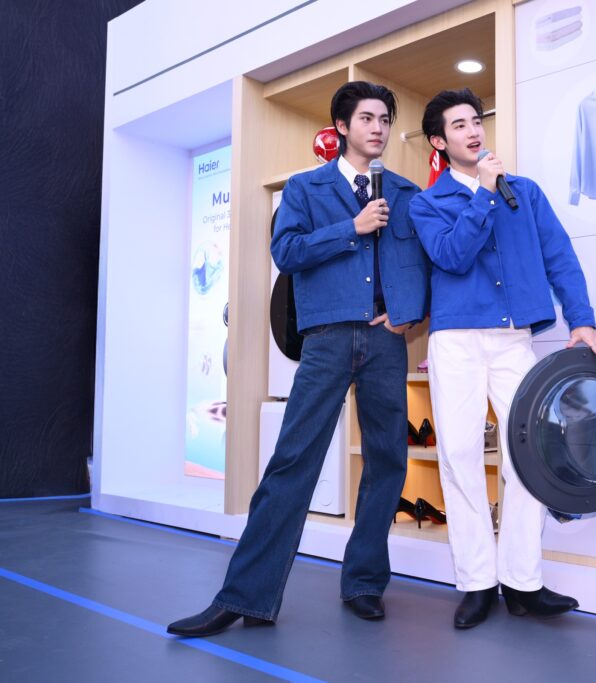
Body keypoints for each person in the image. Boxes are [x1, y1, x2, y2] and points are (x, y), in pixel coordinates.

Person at [168, 81, 429, 636]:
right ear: (342, 127)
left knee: (387, 460)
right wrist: (351, 228)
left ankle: (364, 583)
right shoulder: (306, 188)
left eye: (385, 119)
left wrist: (408, 313)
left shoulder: (406, 192)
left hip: (385, 342)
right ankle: (245, 596)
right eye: (367, 118)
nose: (378, 128)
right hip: (327, 338)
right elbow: (285, 251)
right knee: (292, 462)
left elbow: (422, 263)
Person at [409, 88, 596, 630]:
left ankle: (523, 582)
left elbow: (559, 256)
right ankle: (477, 582)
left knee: (531, 453)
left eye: (476, 121)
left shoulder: (524, 192)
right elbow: (452, 256)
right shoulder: (426, 203)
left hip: (512, 340)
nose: (473, 131)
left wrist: (582, 319)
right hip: (456, 341)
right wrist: (482, 193)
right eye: (459, 125)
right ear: (439, 141)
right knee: (458, 456)